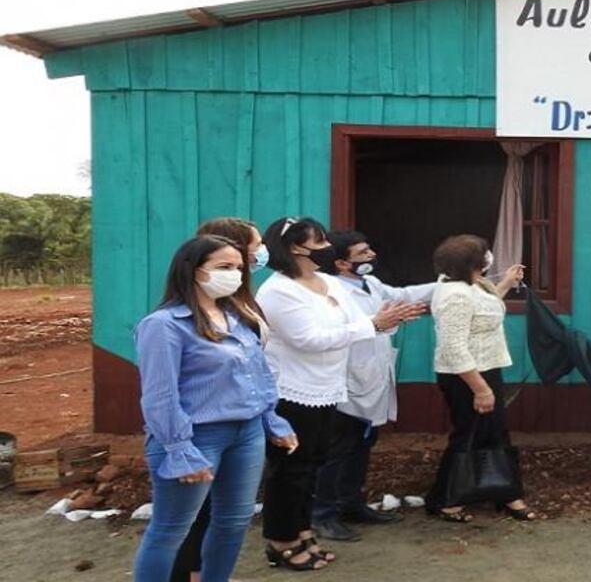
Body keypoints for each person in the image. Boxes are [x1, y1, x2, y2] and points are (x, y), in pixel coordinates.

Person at [256, 217, 420, 571]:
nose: (326, 246)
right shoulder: (277, 290)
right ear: (297, 248)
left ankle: (301, 529)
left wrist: (387, 319)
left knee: (313, 464)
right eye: (319, 241)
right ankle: (280, 539)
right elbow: (309, 339)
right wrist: (372, 325)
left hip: (329, 388)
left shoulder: (327, 282)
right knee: (290, 469)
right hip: (293, 391)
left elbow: (357, 320)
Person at [132, 235, 297, 582]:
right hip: (195, 437)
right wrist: (178, 448)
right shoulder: (164, 325)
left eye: (238, 267)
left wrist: (271, 419)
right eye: (224, 267)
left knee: (234, 522)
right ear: (193, 271)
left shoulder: (235, 315)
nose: (235, 274)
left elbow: (259, 373)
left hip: (246, 432)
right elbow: (159, 395)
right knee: (170, 530)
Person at [311, 230, 434, 541]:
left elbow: (402, 296)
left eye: (369, 250)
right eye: (362, 254)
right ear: (340, 263)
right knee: (336, 450)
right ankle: (322, 514)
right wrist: (381, 322)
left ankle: (351, 503)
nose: (370, 256)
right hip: (345, 380)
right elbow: (336, 332)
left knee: (362, 445)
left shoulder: (371, 284)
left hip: (372, 377)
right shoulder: (330, 292)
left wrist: (448, 282)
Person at [170, 218, 273, 582]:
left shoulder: (236, 301)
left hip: (243, 416)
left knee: (223, 511)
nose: (261, 252)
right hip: (205, 422)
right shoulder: (186, 313)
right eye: (255, 245)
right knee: (198, 510)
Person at [425, 234, 536, 522]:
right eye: (485, 254)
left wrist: (507, 284)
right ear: (473, 262)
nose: (490, 257)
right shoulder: (455, 295)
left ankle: (505, 492)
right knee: (469, 434)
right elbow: (454, 346)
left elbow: (483, 310)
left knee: (494, 431)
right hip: (466, 376)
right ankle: (445, 499)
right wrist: (481, 389)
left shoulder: (471, 286)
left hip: (485, 369)